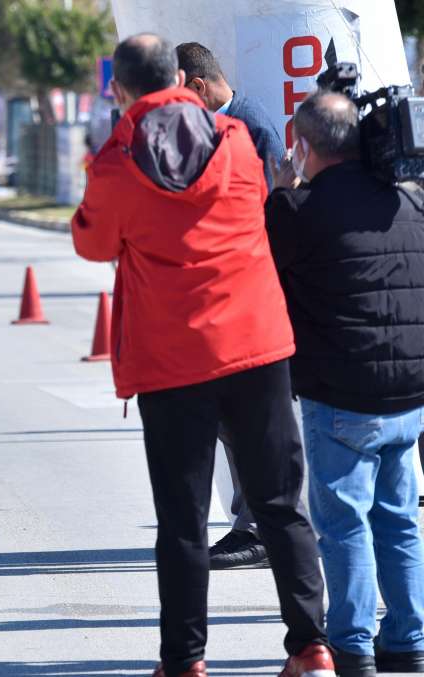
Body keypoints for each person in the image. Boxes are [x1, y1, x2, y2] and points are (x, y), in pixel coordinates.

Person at [72, 34, 333, 677]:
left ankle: (185, 661)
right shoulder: (239, 143)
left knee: (183, 522)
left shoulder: (117, 161)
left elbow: (92, 241)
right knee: (280, 505)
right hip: (257, 344)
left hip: (172, 356)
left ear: (120, 88)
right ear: (182, 79)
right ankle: (312, 649)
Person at [267, 91, 424, 677]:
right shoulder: (408, 202)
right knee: (399, 514)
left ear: (304, 145)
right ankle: (408, 640)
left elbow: (265, 273)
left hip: (341, 392)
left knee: (343, 521)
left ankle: (352, 645)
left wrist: (280, 191)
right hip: (409, 391)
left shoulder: (297, 210)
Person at [176, 41, 287, 570]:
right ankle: (254, 522)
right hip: (225, 299)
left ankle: (258, 528)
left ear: (198, 86)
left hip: (248, 299)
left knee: (246, 420)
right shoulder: (219, 125)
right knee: (228, 419)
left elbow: (264, 218)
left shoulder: (248, 126)